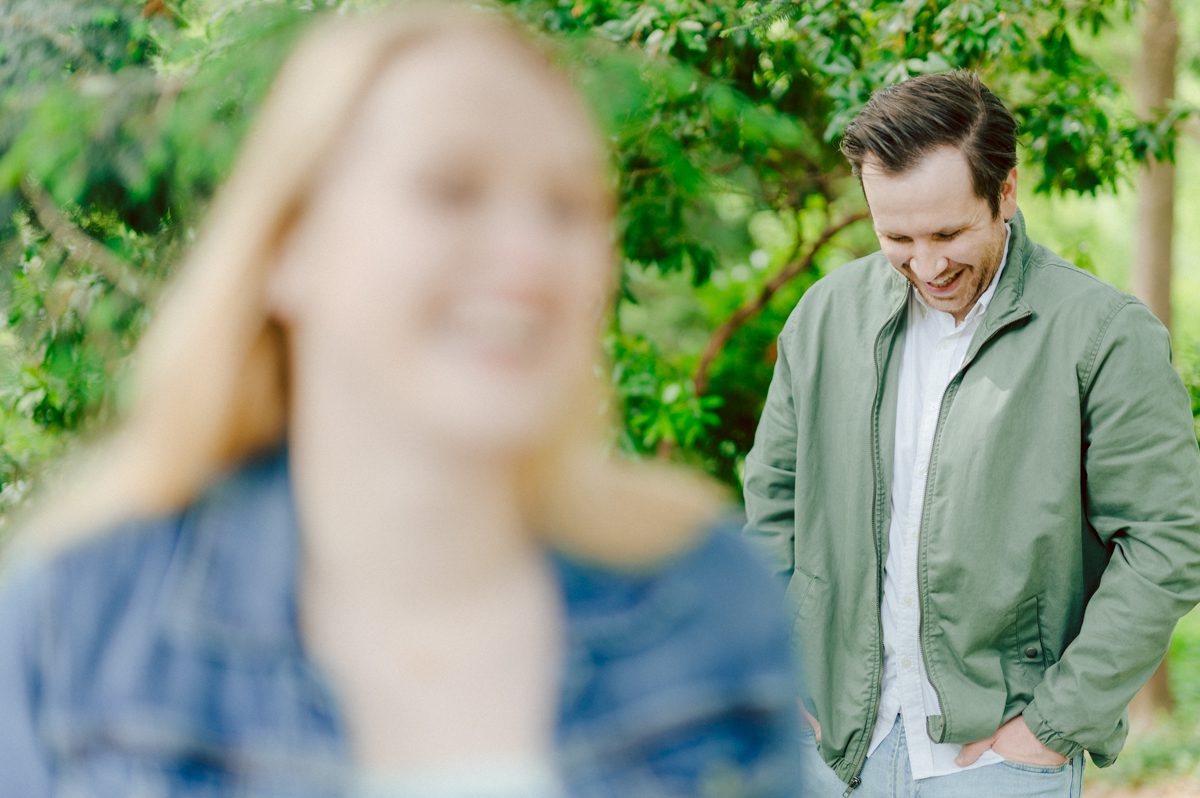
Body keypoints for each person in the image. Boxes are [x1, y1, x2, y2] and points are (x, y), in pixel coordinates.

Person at [0, 4, 806, 795]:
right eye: (450, 190)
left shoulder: (709, 599)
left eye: (568, 206)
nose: (529, 256)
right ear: (289, 245)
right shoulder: (77, 621)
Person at [742, 70, 1200, 798]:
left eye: (949, 233)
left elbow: (1168, 542)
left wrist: (1052, 726)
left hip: (998, 765)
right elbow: (771, 507)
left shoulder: (1103, 336)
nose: (926, 265)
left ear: (1007, 192)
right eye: (897, 237)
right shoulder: (825, 316)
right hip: (822, 748)